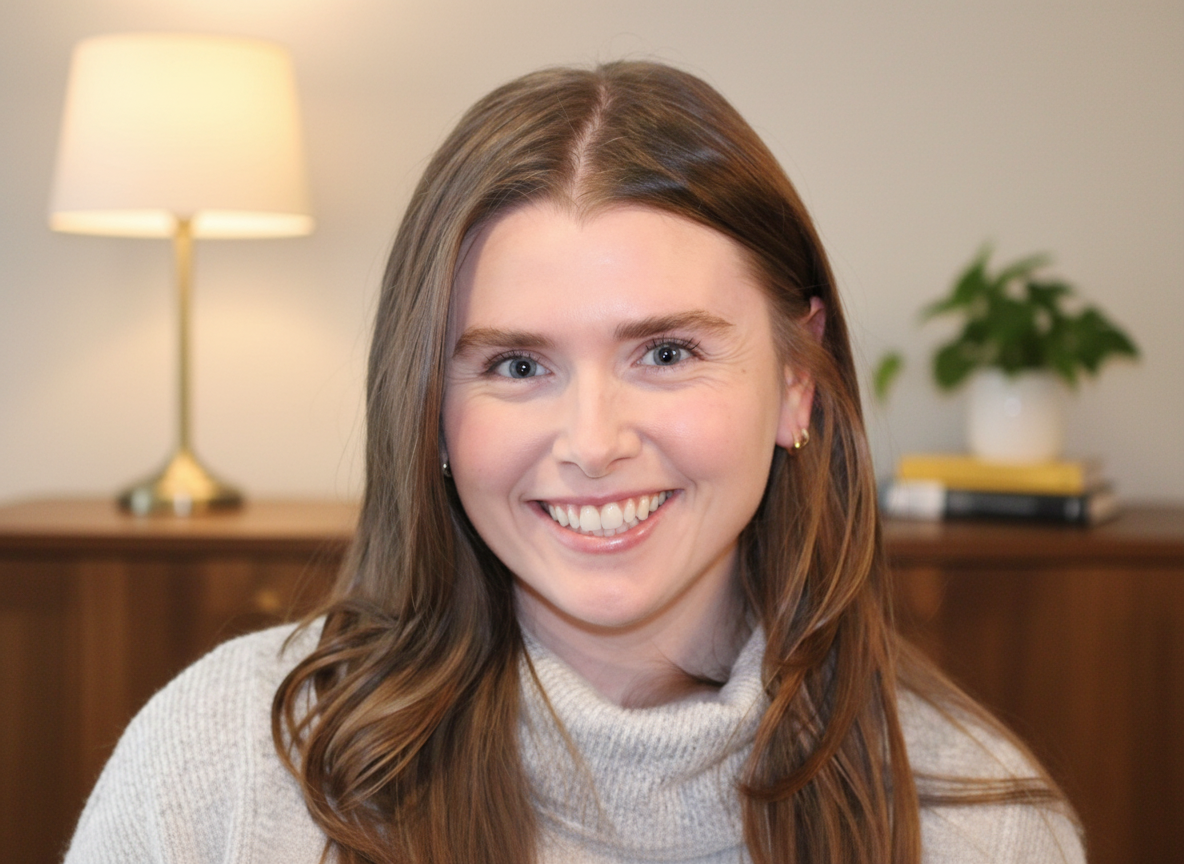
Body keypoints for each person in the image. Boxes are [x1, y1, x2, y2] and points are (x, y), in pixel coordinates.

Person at [65, 61, 1085, 864]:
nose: (592, 442)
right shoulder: (232, 769)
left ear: (793, 380)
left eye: (666, 353)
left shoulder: (979, 828)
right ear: (427, 409)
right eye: (516, 364)